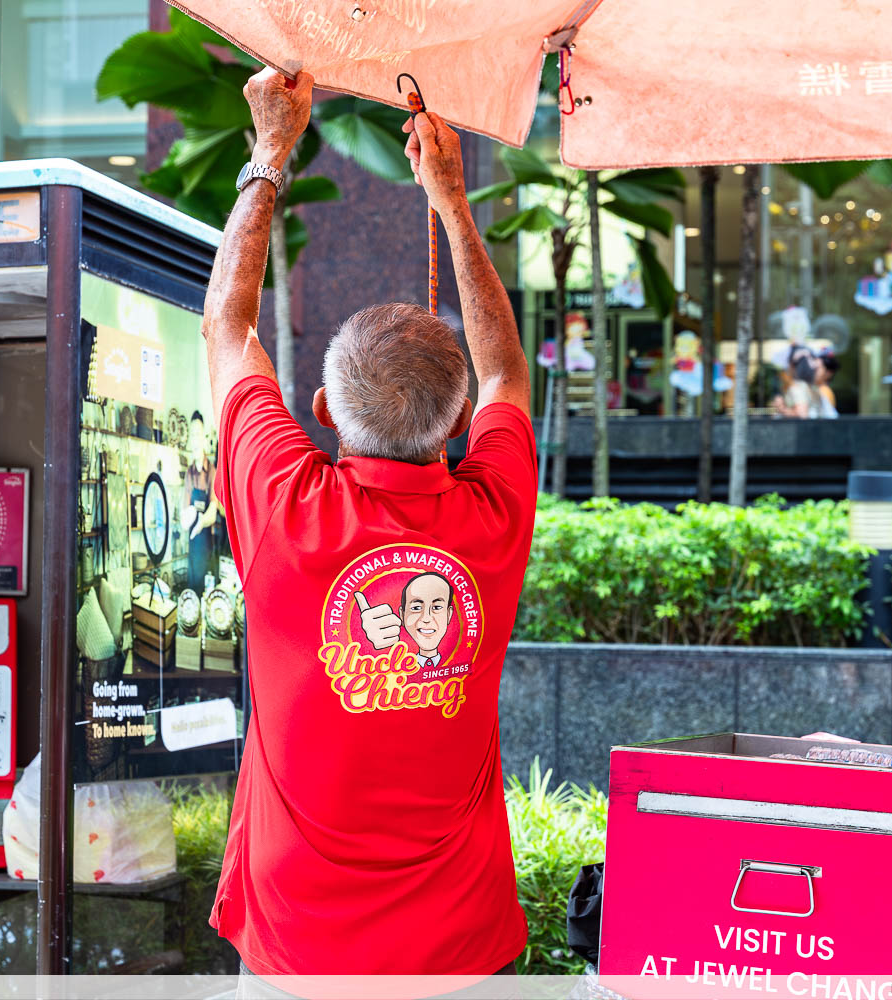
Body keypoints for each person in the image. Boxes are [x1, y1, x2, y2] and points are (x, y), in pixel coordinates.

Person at [200, 67, 536, 986]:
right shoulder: (493, 512)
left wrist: (270, 154)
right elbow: (506, 373)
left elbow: (228, 331)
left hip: (296, 942)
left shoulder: (284, 502)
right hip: (459, 943)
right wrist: (453, 205)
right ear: (460, 433)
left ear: (319, 407)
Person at [180, 410, 218, 588]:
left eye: (198, 434)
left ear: (203, 438)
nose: (195, 439)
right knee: (191, 587)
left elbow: (213, 510)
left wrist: (199, 522)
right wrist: (187, 519)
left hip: (206, 543)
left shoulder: (211, 471)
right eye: (192, 434)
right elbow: (184, 510)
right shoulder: (188, 473)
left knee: (205, 590)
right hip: (193, 544)